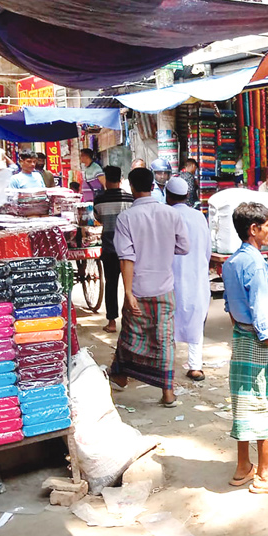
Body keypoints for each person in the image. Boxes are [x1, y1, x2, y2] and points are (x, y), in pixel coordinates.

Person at [222, 202, 268, 495]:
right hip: (259, 339)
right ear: (253, 229)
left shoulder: (231, 263)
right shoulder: (255, 264)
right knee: (266, 404)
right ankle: (264, 475)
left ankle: (243, 468)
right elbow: (261, 313)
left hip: (242, 337)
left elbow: (231, 307)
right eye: (267, 225)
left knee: (243, 403)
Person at [108, 167, 190, 406]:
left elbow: (126, 257)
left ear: (131, 187)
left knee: (131, 337)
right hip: (164, 287)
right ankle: (167, 392)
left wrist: (127, 292)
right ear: (154, 186)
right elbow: (184, 247)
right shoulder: (171, 214)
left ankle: (121, 376)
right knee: (164, 339)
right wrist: (163, 247)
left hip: (138, 288)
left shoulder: (126, 218)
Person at [167, 176, 211, 382]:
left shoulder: (165, 215)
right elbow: (207, 249)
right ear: (187, 195)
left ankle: (167, 365)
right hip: (196, 274)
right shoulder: (199, 217)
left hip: (170, 275)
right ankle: (195, 366)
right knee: (195, 318)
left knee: (169, 320)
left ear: (168, 196)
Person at [93, 166, 134, 334]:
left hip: (109, 247)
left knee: (111, 284)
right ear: (121, 179)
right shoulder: (130, 199)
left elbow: (98, 218)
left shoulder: (99, 199)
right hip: (128, 249)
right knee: (130, 285)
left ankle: (111, 322)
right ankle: (130, 321)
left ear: (106, 180)